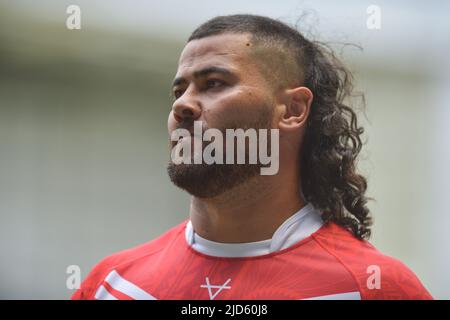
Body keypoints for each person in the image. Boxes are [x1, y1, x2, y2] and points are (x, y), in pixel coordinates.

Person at [71, 14, 432, 300]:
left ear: (292, 109)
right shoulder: (114, 285)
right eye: (178, 90)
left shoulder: (375, 288)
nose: (182, 104)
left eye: (213, 83)